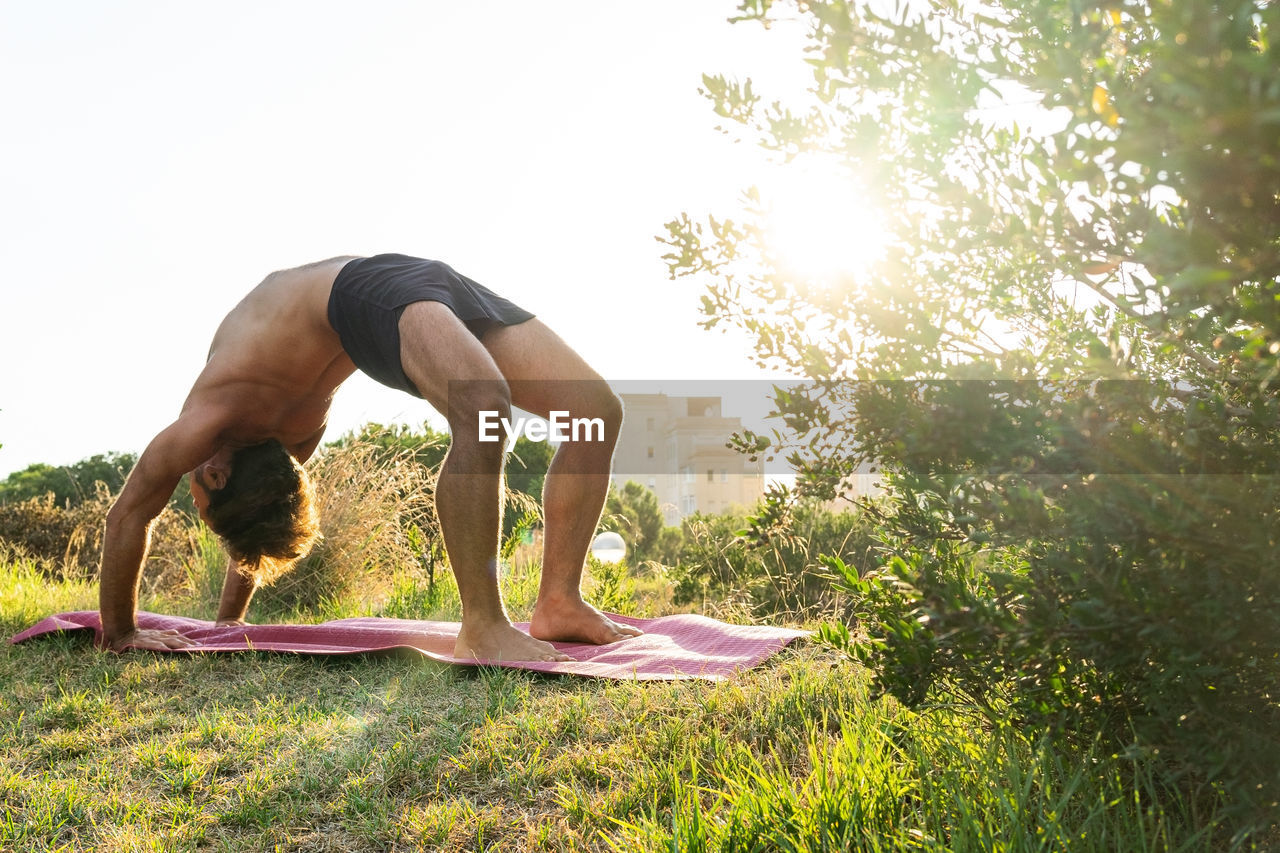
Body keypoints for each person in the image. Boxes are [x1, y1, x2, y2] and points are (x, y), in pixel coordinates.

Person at [99, 253, 641, 661]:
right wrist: (226, 626)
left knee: (589, 411)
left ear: (215, 474)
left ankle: (550, 605)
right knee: (519, 406)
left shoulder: (206, 423)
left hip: (374, 286)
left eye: (200, 507)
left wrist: (121, 632)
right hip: (396, 289)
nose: (190, 496)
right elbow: (256, 522)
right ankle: (498, 621)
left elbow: (128, 513)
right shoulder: (284, 447)